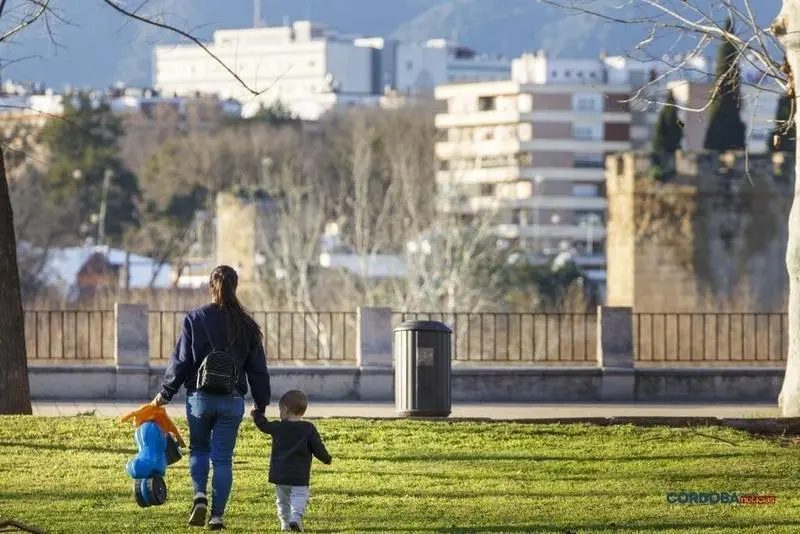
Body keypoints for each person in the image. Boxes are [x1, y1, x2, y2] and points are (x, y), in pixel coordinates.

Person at [151, 265, 271, 531]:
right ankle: (216, 517)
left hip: (199, 398)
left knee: (200, 449)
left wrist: (165, 393)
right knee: (223, 458)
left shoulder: (195, 318)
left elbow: (181, 361)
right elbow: (258, 369)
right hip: (232, 399)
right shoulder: (248, 325)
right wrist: (261, 404)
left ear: (210, 287)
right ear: (235, 287)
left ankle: (199, 496)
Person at [251, 390, 332, 532]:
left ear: (285, 409)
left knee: (282, 501)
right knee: (299, 497)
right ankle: (296, 517)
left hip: (280, 475)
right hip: (300, 476)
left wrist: (256, 413)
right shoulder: (308, 428)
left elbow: (263, 425)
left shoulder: (278, 427)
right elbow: (318, 448)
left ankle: (284, 523)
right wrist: (326, 459)